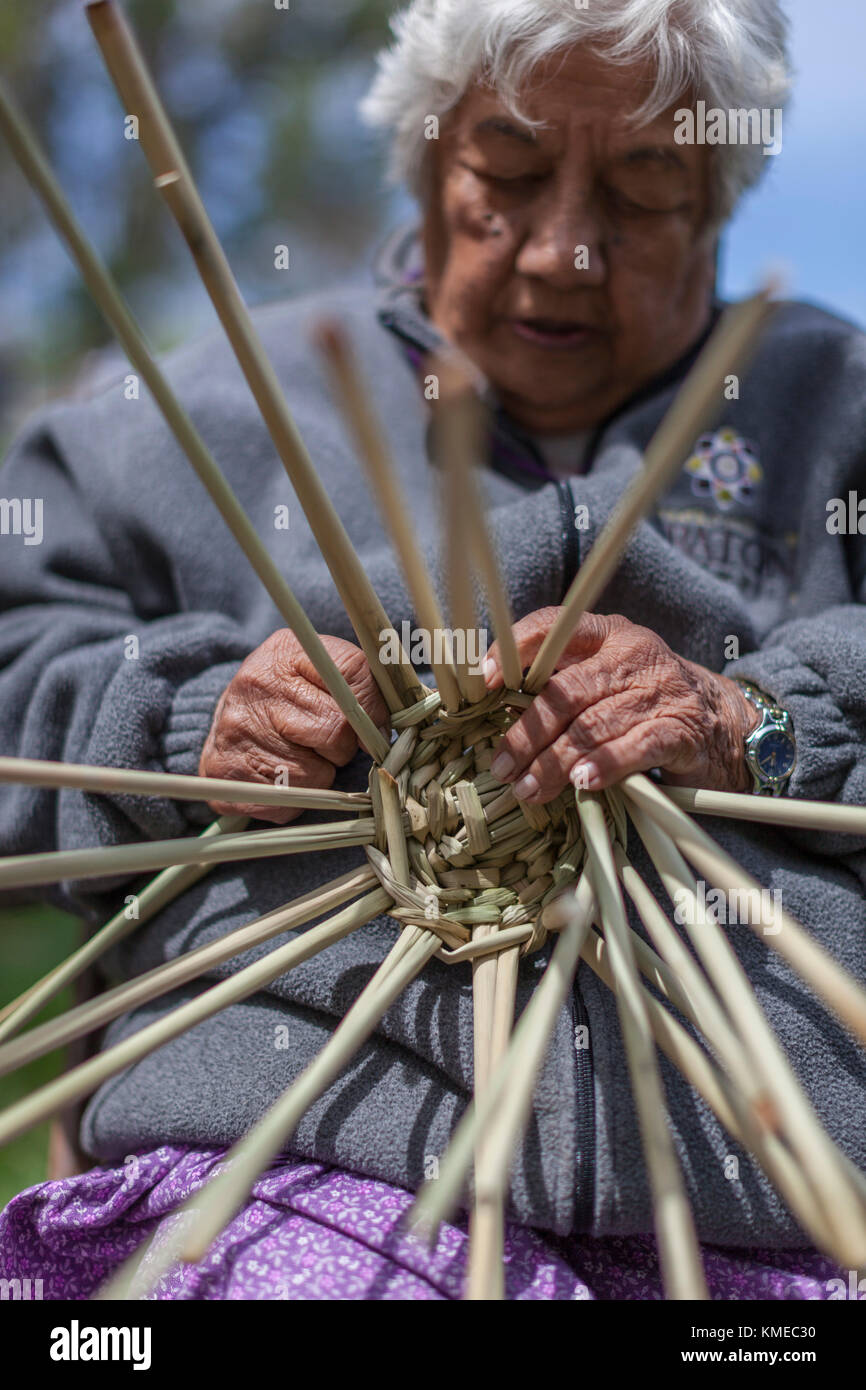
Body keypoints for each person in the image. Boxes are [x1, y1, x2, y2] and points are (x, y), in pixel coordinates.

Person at [0, 0, 864, 1300]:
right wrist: (182, 724)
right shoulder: (209, 409)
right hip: (300, 1155)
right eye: (506, 177)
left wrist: (765, 720)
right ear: (422, 159)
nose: (564, 250)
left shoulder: (828, 408)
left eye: (641, 187)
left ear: (722, 199)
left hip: (765, 1197)